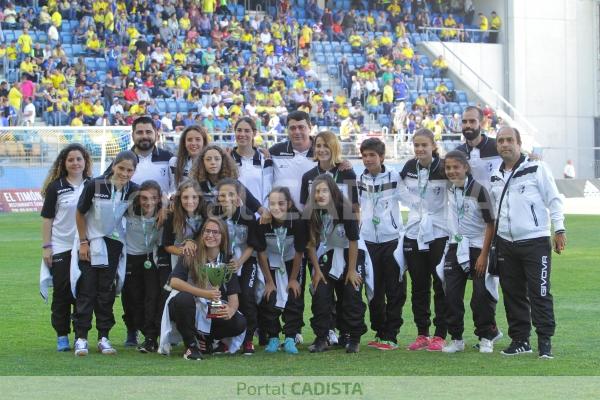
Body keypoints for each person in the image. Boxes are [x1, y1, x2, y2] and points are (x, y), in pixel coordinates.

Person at [489, 127, 566, 359]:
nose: (505, 144)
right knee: (512, 294)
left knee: (540, 292)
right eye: (500, 141)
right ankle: (520, 340)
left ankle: (545, 341)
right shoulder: (495, 174)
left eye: (509, 140)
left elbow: (554, 199)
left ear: (519, 143)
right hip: (506, 244)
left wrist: (559, 229)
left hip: (535, 242)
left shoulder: (537, 167)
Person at [72, 151, 140, 356]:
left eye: (130, 170)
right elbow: (80, 213)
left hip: (114, 246)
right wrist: (83, 242)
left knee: (106, 293)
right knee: (87, 290)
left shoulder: (133, 190)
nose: (125, 173)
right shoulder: (96, 184)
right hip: (91, 244)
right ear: (114, 165)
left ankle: (104, 337)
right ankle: (81, 338)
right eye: (121, 168)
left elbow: (148, 205)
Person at [159, 217, 247, 360]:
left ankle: (206, 339)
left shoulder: (227, 259)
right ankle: (191, 346)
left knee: (239, 323)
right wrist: (204, 294)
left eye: (215, 232)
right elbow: (174, 281)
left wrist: (230, 310)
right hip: (187, 306)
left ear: (223, 236)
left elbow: (233, 297)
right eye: (207, 231)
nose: (210, 235)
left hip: (210, 308)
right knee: (184, 298)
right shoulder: (191, 253)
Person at [441, 150, 501, 353]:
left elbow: (491, 224)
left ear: (465, 168)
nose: (451, 171)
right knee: (451, 295)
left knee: (481, 296)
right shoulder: (449, 186)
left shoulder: (479, 190)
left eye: (456, 167)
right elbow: (425, 161)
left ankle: (487, 335)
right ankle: (456, 338)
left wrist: (484, 255)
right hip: (455, 246)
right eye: (448, 167)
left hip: (478, 247)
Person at [304, 174, 372, 354]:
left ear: (333, 192)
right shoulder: (310, 211)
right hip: (328, 253)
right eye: (317, 191)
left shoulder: (345, 209)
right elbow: (310, 243)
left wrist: (351, 271)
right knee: (320, 293)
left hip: (353, 252)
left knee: (351, 292)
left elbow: (353, 241)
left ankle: (352, 337)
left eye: (324, 190)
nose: (320, 194)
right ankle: (322, 338)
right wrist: (316, 271)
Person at [399, 128, 449, 352]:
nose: (419, 149)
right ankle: (422, 333)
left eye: (424, 145)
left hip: (439, 231)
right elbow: (396, 187)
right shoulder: (409, 167)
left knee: (440, 283)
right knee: (419, 285)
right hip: (414, 231)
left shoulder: (444, 167)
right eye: (416, 145)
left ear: (433, 146)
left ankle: (440, 334)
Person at [40, 144, 93, 352]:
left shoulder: (93, 184)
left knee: (84, 291)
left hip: (84, 246)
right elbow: (47, 219)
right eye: (71, 160)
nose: (75, 163)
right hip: (61, 246)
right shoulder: (56, 187)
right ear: (64, 163)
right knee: (62, 292)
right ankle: (62, 334)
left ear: (85, 162)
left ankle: (81, 334)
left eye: (79, 159)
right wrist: (47, 247)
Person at [357, 138, 407, 351]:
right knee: (373, 289)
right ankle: (379, 331)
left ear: (382, 157)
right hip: (368, 241)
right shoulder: (360, 178)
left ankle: (392, 335)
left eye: (372, 156)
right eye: (365, 156)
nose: (368, 159)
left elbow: (410, 200)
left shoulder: (395, 177)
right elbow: (356, 205)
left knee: (395, 289)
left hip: (392, 240)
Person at [213, 178, 264, 355]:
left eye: (231, 194)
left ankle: (248, 339)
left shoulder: (247, 215)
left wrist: (240, 261)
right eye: (222, 194)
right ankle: (224, 339)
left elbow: (252, 244)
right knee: (221, 297)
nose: (226, 198)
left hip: (245, 261)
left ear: (238, 196)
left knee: (247, 297)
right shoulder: (215, 216)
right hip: (222, 263)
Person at [256, 187, 307, 354]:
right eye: (272, 204)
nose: (276, 207)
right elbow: (261, 253)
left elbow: (300, 252)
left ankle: (291, 337)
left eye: (281, 203)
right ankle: (273, 337)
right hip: (271, 263)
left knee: (294, 296)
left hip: (292, 262)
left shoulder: (298, 222)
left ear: (289, 204)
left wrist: (293, 279)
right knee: (269, 297)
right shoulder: (263, 222)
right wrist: (269, 281)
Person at [122, 180, 164, 354]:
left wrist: (166, 206)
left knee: (152, 298)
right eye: (145, 198)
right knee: (133, 300)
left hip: (152, 260)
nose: (149, 202)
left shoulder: (164, 214)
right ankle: (137, 331)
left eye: (153, 198)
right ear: (138, 199)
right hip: (131, 260)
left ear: (159, 199)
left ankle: (150, 337)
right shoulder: (129, 211)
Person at [189, 145, 264, 216]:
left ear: (223, 161)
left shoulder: (233, 185)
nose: (213, 162)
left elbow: (257, 206)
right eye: (208, 159)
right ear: (202, 163)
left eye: (217, 159)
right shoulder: (196, 186)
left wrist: (266, 214)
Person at [107, 116, 173, 194]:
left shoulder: (169, 158)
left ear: (156, 134)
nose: (144, 136)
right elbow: (105, 183)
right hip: (129, 206)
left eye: (148, 132)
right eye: (139, 132)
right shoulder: (122, 159)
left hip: (162, 206)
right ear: (132, 136)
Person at [299, 131, 359, 213]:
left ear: (334, 147)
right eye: (318, 146)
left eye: (326, 146)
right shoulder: (307, 176)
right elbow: (305, 211)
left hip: (342, 225)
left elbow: (355, 208)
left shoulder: (348, 174)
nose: (322, 150)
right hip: (316, 225)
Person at [230, 117, 273, 210]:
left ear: (254, 133)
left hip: (260, 217)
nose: (242, 134)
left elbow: (268, 189)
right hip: (235, 218)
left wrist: (266, 212)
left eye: (247, 131)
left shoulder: (264, 158)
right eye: (239, 130)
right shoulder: (227, 159)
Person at [455, 106, 502, 191]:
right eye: (464, 122)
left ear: (481, 123)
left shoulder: (497, 146)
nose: (467, 125)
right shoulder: (458, 152)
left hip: (494, 203)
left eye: (472, 121)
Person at [168, 125, 209, 195]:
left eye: (198, 139)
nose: (193, 143)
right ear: (184, 143)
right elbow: (173, 189)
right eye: (189, 140)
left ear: (204, 142)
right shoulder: (174, 162)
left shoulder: (210, 163)